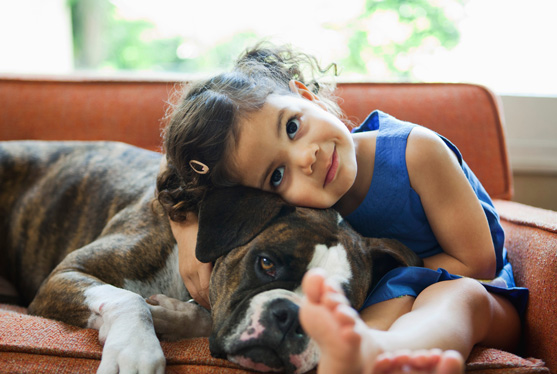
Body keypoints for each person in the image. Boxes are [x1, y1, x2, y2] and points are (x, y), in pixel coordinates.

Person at [156, 44, 528, 374]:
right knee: (342, 322)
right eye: (276, 175)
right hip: (382, 296)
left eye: (292, 126)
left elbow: (479, 264)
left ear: (306, 96)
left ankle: (395, 354)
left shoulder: (416, 152)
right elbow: (173, 171)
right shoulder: (294, 210)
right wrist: (188, 235)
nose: (307, 157)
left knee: (453, 297)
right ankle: (358, 357)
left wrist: (376, 268)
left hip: (484, 294)